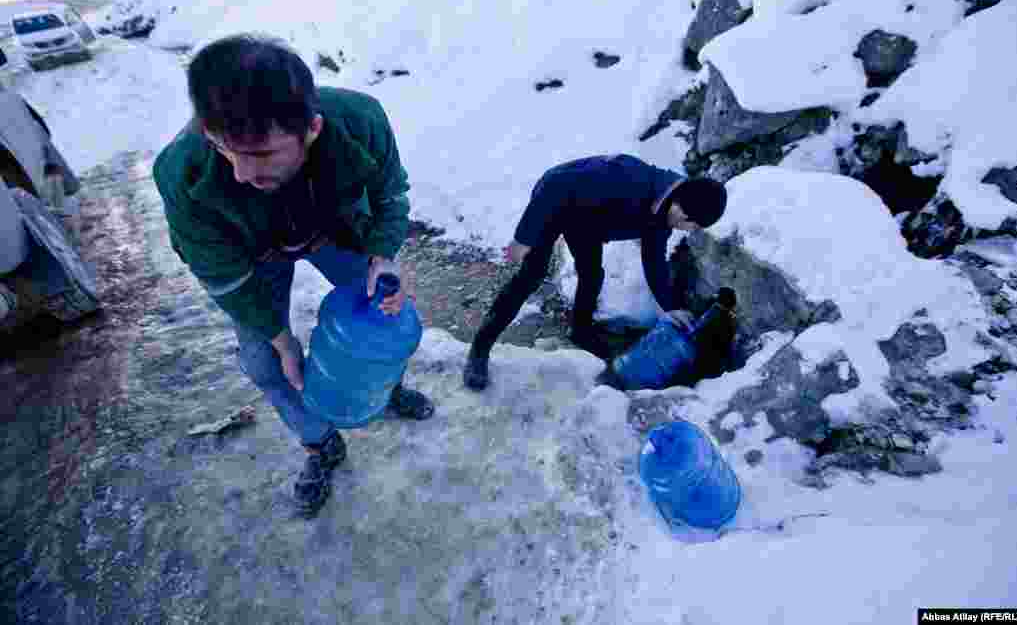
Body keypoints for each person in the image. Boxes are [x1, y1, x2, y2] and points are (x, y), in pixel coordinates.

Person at [154, 34, 434, 517]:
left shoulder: (360, 122)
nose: (241, 173)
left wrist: (383, 257)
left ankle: (382, 388)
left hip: (332, 232)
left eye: (262, 155)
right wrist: (283, 340)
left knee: (386, 318)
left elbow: (390, 193)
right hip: (255, 259)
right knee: (265, 364)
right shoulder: (181, 173)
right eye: (225, 148)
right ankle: (321, 442)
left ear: (312, 130)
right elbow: (221, 275)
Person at [463, 154, 727, 391]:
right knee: (530, 276)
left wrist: (670, 307)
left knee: (591, 274)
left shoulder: (663, 216)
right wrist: (524, 238)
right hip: (555, 202)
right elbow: (556, 184)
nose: (685, 229)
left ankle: (581, 329)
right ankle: (480, 348)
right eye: (688, 224)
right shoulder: (629, 177)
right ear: (680, 208)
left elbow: (654, 261)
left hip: (588, 220)